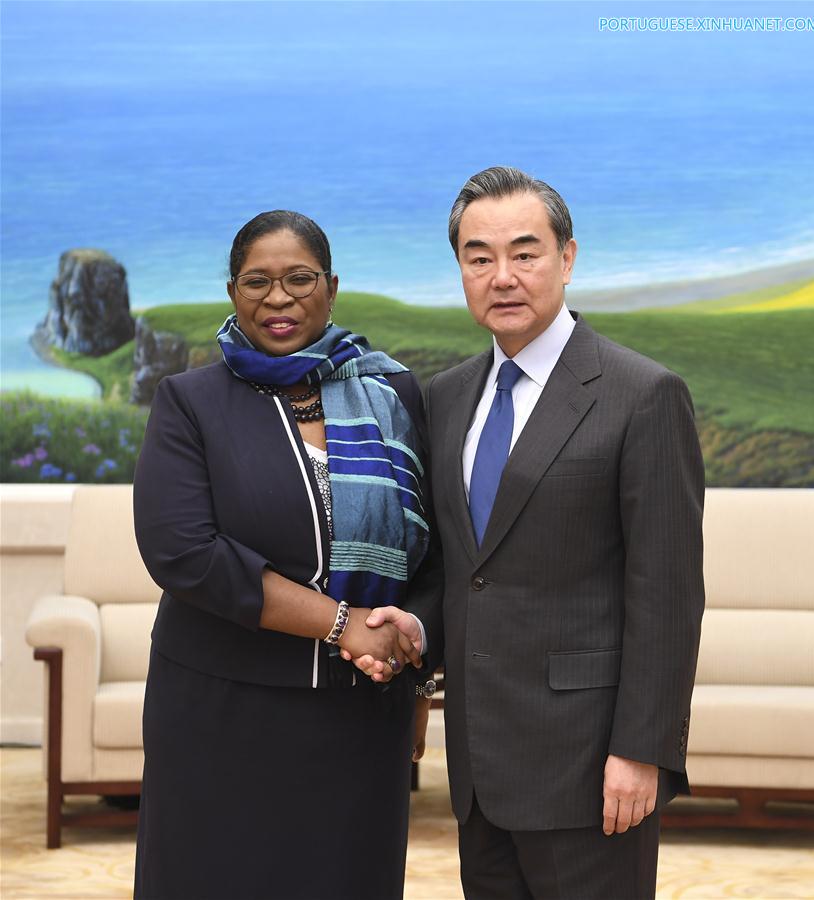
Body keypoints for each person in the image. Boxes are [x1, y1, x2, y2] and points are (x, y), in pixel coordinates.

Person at [355, 167, 705, 899]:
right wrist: (417, 627)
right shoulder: (447, 397)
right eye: (479, 257)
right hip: (480, 768)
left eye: (525, 252)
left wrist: (642, 751)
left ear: (567, 258)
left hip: (591, 767)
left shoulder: (643, 395)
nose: (503, 277)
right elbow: (459, 566)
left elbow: (667, 594)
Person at [132, 209, 441, 900]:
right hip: (222, 712)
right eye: (257, 281)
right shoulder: (190, 402)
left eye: (299, 279)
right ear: (232, 292)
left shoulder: (394, 394)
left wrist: (418, 676)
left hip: (363, 714)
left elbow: (432, 551)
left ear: (331, 287)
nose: (278, 298)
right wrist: (343, 624)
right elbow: (185, 553)